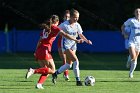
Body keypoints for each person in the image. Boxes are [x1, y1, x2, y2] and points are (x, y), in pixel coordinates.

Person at [25, 15, 84, 89]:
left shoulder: (45, 28)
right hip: (45, 50)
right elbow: (65, 34)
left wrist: (36, 51)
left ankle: (39, 84)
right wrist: (76, 40)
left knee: (46, 70)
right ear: (57, 22)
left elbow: (39, 40)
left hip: (39, 50)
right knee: (52, 70)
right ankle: (33, 71)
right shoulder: (55, 28)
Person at [52, 9, 92, 86]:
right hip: (66, 46)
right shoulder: (64, 25)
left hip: (73, 46)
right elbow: (55, 31)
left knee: (68, 65)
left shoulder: (77, 25)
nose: (76, 19)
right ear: (70, 17)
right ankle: (78, 81)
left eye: (77, 17)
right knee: (76, 61)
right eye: (75, 17)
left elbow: (80, 34)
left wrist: (86, 41)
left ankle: (55, 74)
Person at [121, 8, 140, 78]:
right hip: (131, 41)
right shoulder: (131, 20)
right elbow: (122, 27)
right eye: (137, 12)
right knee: (133, 57)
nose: (138, 13)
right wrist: (124, 33)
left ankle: (130, 72)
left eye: (139, 12)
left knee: (134, 58)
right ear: (134, 13)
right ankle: (131, 74)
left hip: (139, 43)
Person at [57, 10, 70, 81]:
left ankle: (60, 73)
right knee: (64, 60)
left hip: (69, 45)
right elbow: (55, 32)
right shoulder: (61, 25)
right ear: (63, 17)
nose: (67, 18)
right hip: (61, 44)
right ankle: (66, 74)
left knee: (69, 62)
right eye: (66, 16)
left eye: (68, 16)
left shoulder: (72, 24)